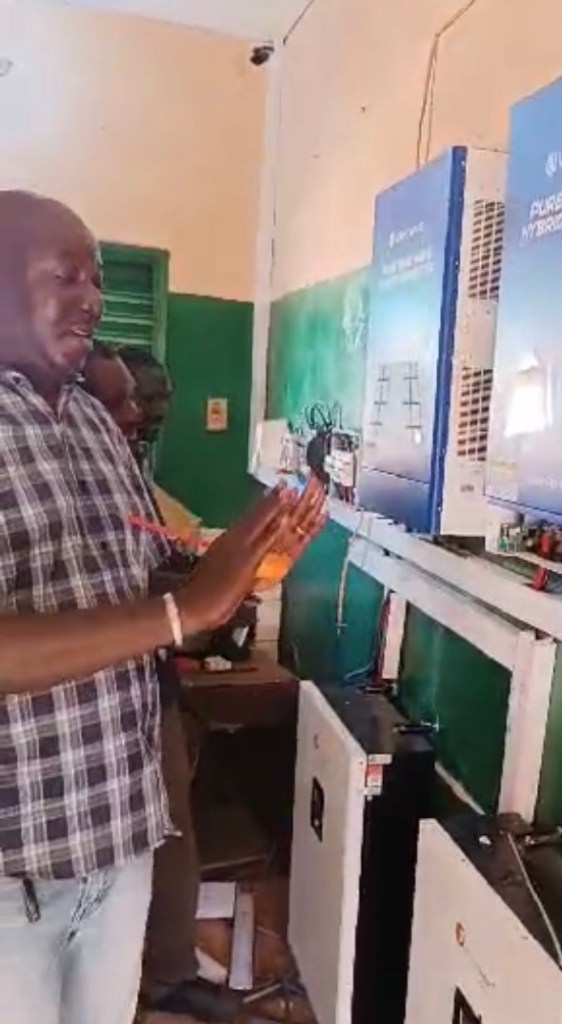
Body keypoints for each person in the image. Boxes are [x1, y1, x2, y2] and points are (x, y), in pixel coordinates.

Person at [0, 189, 325, 1024]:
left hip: (119, 840)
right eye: (66, 276)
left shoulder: (95, 425)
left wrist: (237, 571)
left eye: (99, 281)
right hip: (14, 868)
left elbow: (133, 587)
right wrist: (184, 613)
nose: (92, 300)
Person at [84, 343, 253, 1021]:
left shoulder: (127, 472)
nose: (138, 415)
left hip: (149, 692)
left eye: (145, 402)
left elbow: (150, 569)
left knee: (172, 830)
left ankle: (166, 972)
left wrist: (216, 584)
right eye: (121, 401)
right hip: (77, 713)